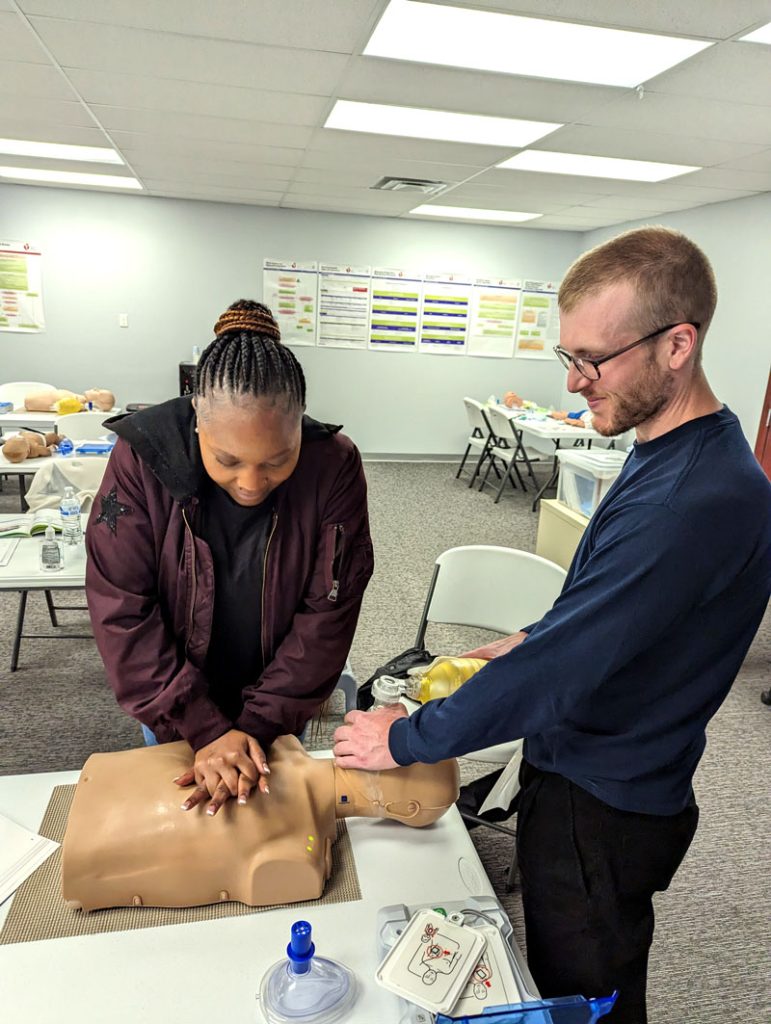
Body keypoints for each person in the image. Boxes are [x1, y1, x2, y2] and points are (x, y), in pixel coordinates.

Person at [333, 227, 771, 1022]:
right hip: (593, 764)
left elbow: (560, 672)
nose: (575, 383)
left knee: (585, 995)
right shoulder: (664, 447)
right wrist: (521, 640)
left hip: (604, 800)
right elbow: (603, 612)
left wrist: (403, 737)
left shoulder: (691, 500)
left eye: (592, 361)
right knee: (571, 964)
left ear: (678, 344)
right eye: (566, 358)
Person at [87, 299, 374, 818]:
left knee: (273, 827)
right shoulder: (141, 457)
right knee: (183, 827)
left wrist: (258, 726)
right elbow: (122, 606)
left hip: (281, 691)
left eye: (277, 460)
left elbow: (328, 613)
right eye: (227, 460)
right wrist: (203, 727)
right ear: (197, 419)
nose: (250, 483)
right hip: (172, 696)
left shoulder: (333, 464)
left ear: (299, 430)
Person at [62, 736, 459, 911]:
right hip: (94, 857)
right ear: (406, 810)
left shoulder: (284, 743)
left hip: (104, 788)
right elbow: (276, 879)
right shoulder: (303, 854)